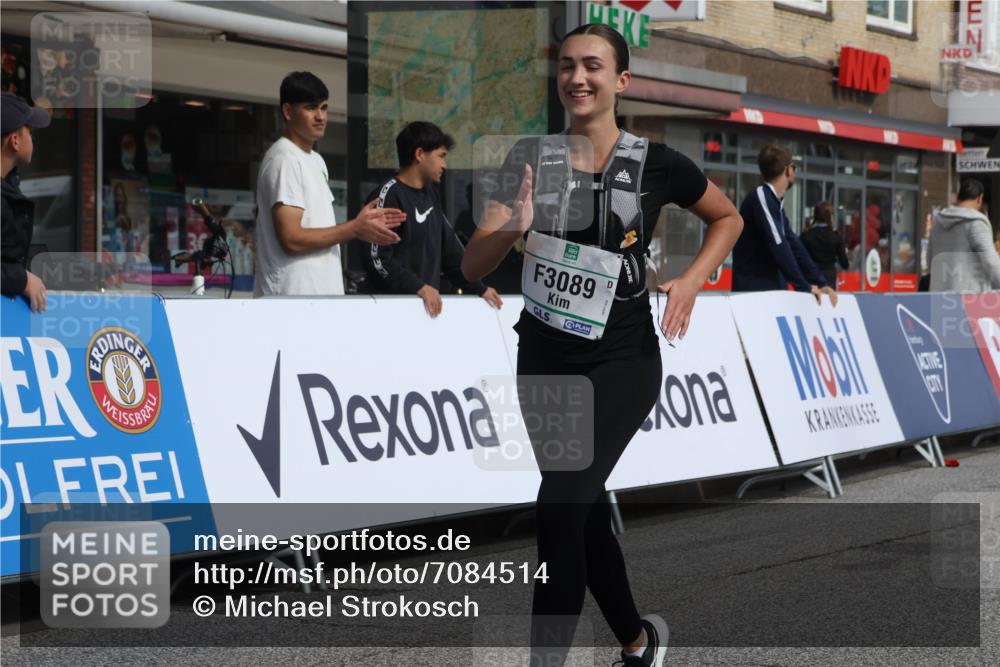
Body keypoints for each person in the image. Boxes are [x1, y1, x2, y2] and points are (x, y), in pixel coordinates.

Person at [462, 24, 743, 667]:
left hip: (621, 359)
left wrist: (692, 282)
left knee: (559, 507)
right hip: (544, 358)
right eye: (566, 66)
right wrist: (513, 231)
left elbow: (728, 218)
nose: (576, 78)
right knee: (578, 512)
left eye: (592, 65)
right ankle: (638, 642)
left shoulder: (660, 163)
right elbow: (475, 264)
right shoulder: (529, 157)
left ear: (620, 80)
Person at [254, 71, 405, 297]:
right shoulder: (284, 159)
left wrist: (359, 228)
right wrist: (354, 228)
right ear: (287, 111)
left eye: (324, 107)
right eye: (310, 108)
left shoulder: (316, 159)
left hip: (320, 298)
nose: (320, 116)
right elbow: (291, 239)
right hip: (291, 300)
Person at [366, 121, 502, 317]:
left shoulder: (430, 195)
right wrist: (418, 287)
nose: (444, 165)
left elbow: (450, 253)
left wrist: (480, 288)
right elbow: (377, 259)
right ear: (420, 154)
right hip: (392, 313)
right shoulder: (388, 195)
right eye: (441, 156)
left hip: (426, 313)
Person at [732, 143, 837, 305]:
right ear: (788, 169)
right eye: (794, 167)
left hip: (771, 291)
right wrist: (804, 286)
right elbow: (779, 245)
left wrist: (820, 282)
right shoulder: (761, 198)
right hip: (755, 293)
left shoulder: (775, 204)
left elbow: (794, 245)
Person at [1, 92, 51, 312]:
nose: (33, 139)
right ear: (15, 140)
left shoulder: (10, 188)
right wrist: (22, 280)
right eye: (30, 132)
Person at [928, 178, 1000, 292]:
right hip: (971, 300)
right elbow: (991, 262)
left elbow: (929, 261)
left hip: (939, 298)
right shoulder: (976, 223)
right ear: (979, 199)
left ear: (958, 197)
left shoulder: (937, 223)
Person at [800, 201, 848, 289]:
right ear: (830, 217)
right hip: (829, 278)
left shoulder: (806, 235)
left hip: (810, 276)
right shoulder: (836, 236)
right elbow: (844, 264)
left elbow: (800, 257)